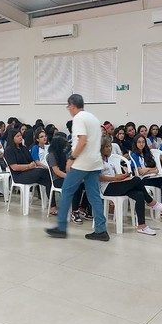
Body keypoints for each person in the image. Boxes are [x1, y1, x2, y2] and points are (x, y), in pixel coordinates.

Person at [45, 94, 109, 241]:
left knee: (67, 191)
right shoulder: (93, 118)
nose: (69, 109)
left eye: (68, 107)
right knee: (94, 195)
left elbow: (82, 141)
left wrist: (72, 159)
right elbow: (97, 140)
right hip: (94, 162)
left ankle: (61, 228)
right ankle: (101, 230)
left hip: (82, 163)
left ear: (72, 105)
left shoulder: (79, 118)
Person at [99, 136, 162, 235]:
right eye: (106, 147)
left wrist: (123, 176)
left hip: (114, 184)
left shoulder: (108, 159)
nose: (109, 148)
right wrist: (115, 178)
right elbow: (99, 177)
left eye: (110, 146)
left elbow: (112, 175)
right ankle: (151, 202)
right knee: (137, 179)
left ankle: (142, 226)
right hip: (106, 188)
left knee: (139, 194)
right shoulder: (97, 160)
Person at [4, 129, 56, 215]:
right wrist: (28, 166)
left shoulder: (23, 148)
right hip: (19, 176)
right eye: (17, 136)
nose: (20, 137)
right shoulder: (9, 150)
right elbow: (14, 167)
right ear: (12, 138)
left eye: (20, 135)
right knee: (42, 171)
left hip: (29, 172)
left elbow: (31, 161)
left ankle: (52, 206)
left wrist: (31, 164)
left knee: (48, 179)